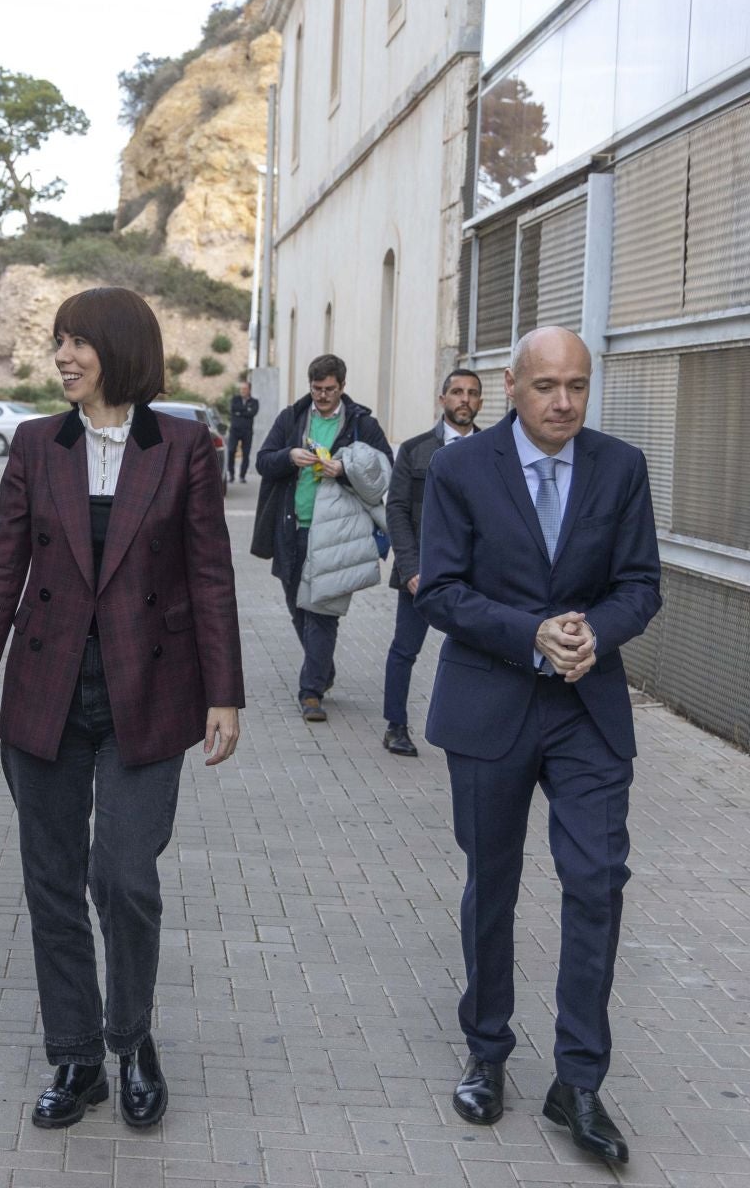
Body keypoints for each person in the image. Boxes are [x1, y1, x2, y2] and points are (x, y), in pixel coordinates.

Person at [0, 287, 243, 1132]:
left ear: (121, 349)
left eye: (79, 343)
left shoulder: (184, 445)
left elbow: (211, 577)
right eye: (59, 344)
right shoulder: (39, 445)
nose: (65, 358)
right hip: (46, 693)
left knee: (123, 876)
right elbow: (3, 567)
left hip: (146, 696)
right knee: (50, 882)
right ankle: (76, 1055)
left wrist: (224, 691)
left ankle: (133, 1038)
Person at [416, 327, 661, 1166]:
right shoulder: (458, 470)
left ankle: (579, 1081)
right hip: (491, 704)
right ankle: (488, 1051)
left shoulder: (620, 467)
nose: (564, 402)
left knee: (596, 879)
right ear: (511, 386)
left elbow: (641, 584)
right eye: (548, 385)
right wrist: (532, 634)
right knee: (494, 881)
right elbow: (441, 589)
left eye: (579, 387)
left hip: (586, 707)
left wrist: (592, 630)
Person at [250, 353, 391, 722]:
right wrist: (288, 456)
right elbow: (262, 461)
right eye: (317, 389)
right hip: (292, 529)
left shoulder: (361, 424)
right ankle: (322, 669)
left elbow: (383, 471)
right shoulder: (293, 417)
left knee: (322, 610)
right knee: (297, 606)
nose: (323, 396)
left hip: (336, 534)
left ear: (342, 387)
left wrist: (345, 470)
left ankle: (310, 691)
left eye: (329, 390)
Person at [379, 368, 481, 757]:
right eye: (457, 392)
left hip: (474, 575)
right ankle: (396, 726)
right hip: (422, 571)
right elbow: (398, 511)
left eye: (472, 393)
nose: (464, 400)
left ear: (480, 401)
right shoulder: (416, 449)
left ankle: (474, 727)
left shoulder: (493, 449)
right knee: (405, 649)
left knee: (477, 652)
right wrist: (410, 569)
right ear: (442, 400)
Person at [225, 378, 259, 482]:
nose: (242, 391)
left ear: (249, 390)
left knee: (246, 453)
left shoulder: (254, 402)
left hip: (247, 431)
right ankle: (231, 474)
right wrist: (245, 410)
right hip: (234, 430)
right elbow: (233, 410)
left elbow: (252, 413)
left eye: (245, 389)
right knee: (231, 451)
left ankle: (242, 476)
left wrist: (240, 412)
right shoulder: (235, 399)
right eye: (241, 389)